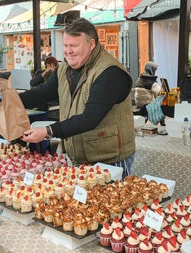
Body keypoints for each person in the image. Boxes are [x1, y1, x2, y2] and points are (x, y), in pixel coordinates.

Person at [19, 18, 135, 179]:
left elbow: (90, 118)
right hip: (78, 157)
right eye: (66, 46)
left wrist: (48, 131)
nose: (68, 51)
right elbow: (45, 92)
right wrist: (13, 100)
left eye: (74, 46)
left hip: (109, 159)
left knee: (110, 203)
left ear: (91, 44)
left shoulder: (110, 72)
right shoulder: (65, 67)